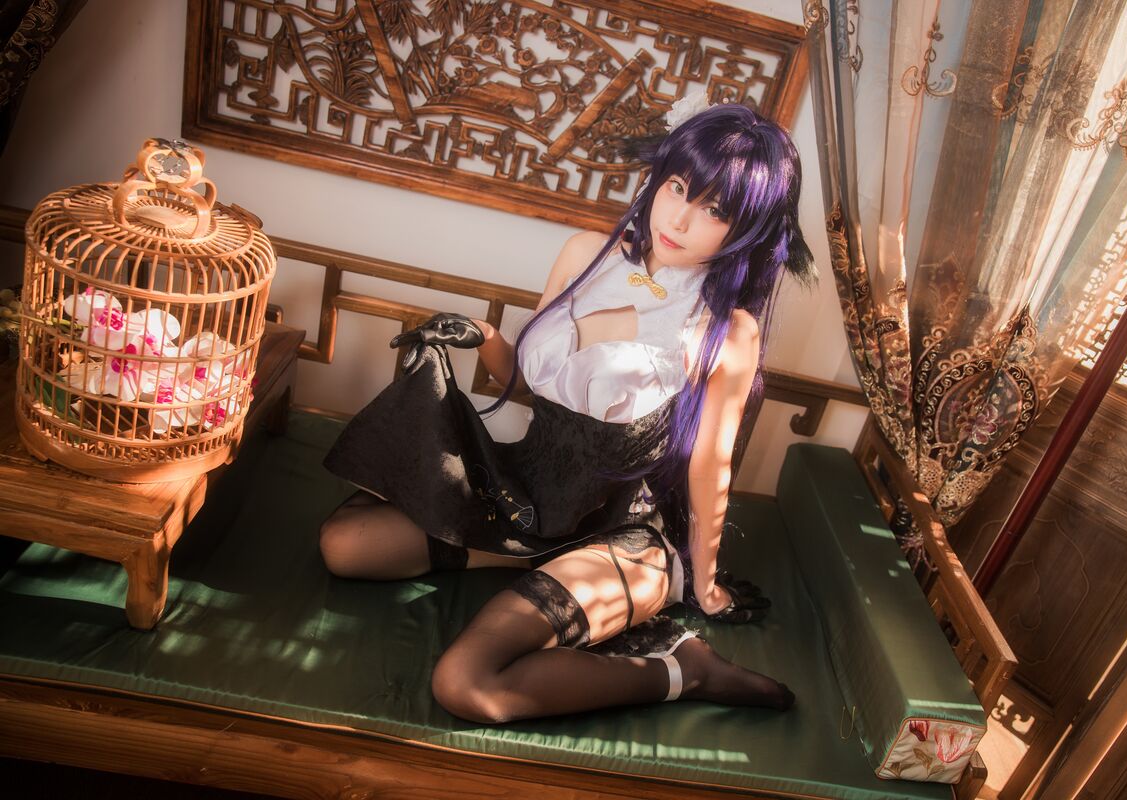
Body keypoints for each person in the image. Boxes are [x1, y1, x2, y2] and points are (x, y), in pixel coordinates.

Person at [318, 98, 815, 724]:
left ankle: (684, 671)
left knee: (466, 683)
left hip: (621, 536)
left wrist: (707, 583)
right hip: (527, 501)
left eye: (715, 210)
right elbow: (535, 381)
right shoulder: (586, 254)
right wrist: (482, 336)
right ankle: (529, 555)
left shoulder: (726, 330)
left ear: (746, 230)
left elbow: (710, 468)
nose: (681, 218)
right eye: (678, 186)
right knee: (345, 545)